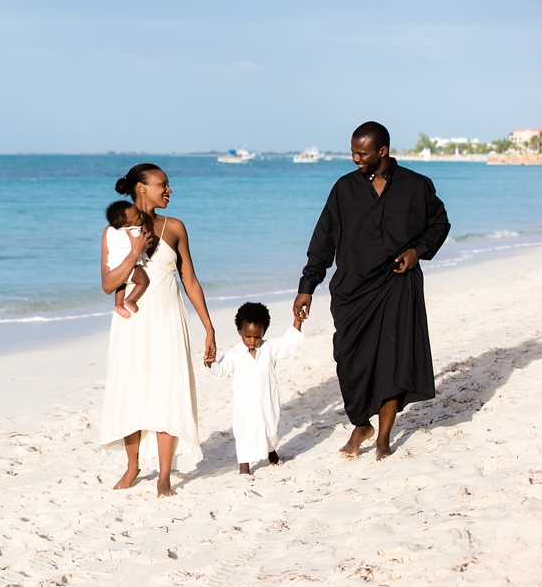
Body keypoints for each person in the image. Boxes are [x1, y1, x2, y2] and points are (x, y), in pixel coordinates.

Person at [293, 121, 450, 460]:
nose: (354, 158)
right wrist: (308, 285)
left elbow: (440, 223)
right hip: (352, 290)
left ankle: (383, 436)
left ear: (382, 151)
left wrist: (416, 251)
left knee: (394, 361)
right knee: (349, 361)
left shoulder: (416, 186)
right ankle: (361, 422)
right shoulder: (344, 189)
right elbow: (323, 240)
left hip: (398, 283)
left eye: (361, 153)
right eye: (352, 151)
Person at [98, 163, 216, 497]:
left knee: (169, 389)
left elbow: (189, 280)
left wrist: (208, 327)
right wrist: (135, 252)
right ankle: (133, 466)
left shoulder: (175, 227)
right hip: (131, 323)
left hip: (168, 319)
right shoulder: (114, 232)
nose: (169, 190)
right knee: (130, 389)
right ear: (141, 188)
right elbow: (109, 285)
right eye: (162, 184)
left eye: (168, 185)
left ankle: (165, 475)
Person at [206, 302, 305, 475]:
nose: (252, 341)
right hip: (245, 405)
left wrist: (298, 320)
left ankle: (271, 451)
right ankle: (244, 465)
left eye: (257, 337)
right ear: (239, 332)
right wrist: (210, 362)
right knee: (245, 432)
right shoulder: (234, 354)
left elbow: (289, 343)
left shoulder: (269, 348)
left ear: (263, 332)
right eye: (247, 336)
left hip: (268, 400)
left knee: (270, 429)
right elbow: (220, 370)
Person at [104, 200, 150, 319]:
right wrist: (145, 229)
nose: (142, 215)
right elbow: (145, 240)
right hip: (131, 266)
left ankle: (118, 304)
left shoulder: (110, 231)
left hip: (115, 266)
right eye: (138, 215)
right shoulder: (134, 231)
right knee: (143, 281)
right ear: (126, 224)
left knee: (121, 284)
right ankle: (131, 300)